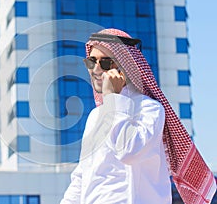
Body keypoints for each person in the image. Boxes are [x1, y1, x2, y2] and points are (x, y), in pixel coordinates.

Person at [60, 28, 216, 204]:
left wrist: (113, 97)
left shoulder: (150, 109)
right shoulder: (95, 116)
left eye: (105, 63)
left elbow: (128, 151)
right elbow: (82, 176)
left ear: (125, 66)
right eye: (91, 62)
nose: (96, 69)